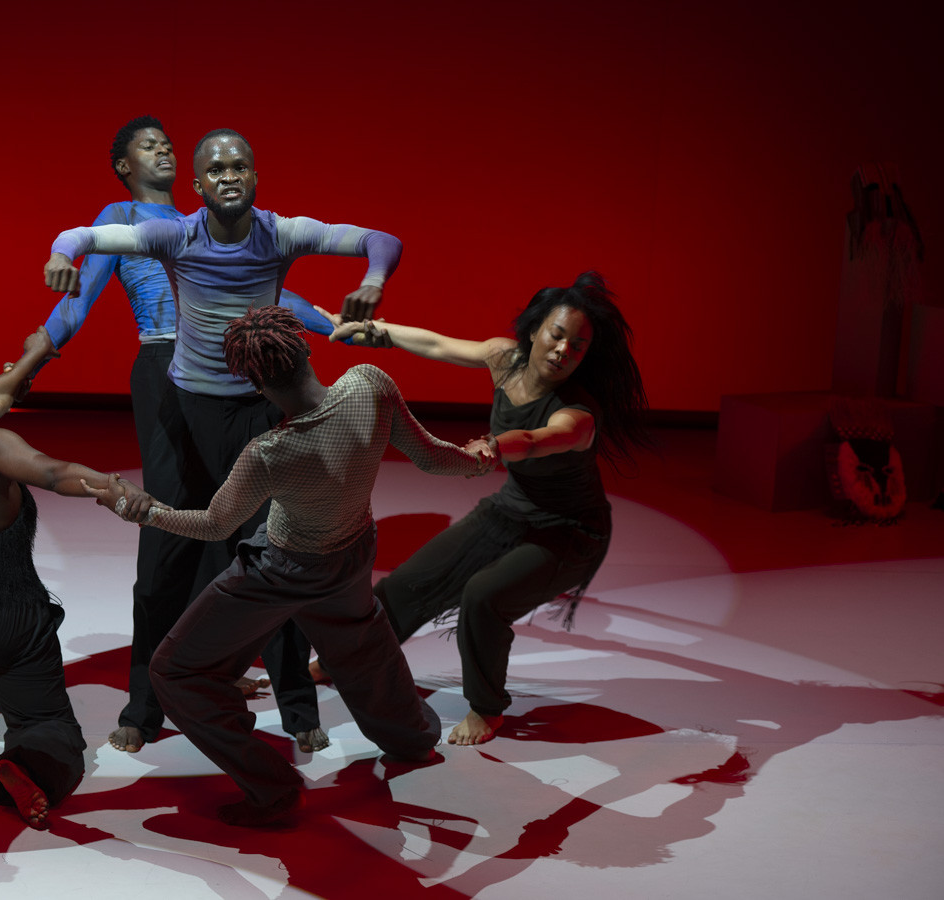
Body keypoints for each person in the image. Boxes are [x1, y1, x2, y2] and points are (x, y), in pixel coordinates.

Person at [45, 127, 402, 754]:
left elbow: (381, 239)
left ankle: (297, 705)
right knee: (162, 562)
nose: (229, 176)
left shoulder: (281, 233)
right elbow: (85, 236)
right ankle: (144, 706)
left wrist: (373, 278)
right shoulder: (175, 235)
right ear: (198, 185)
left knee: (274, 555)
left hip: (255, 411)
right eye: (216, 169)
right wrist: (61, 254)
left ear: (255, 177)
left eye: (240, 166)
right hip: (183, 412)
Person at [91, 305, 489, 827]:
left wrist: (139, 510)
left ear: (254, 383)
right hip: (351, 552)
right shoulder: (369, 384)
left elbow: (214, 525)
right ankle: (413, 741)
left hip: (281, 569)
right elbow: (433, 457)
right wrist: (477, 458)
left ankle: (273, 788)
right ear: (305, 349)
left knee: (174, 670)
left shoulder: (270, 452)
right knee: (364, 648)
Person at [322, 271, 651, 746]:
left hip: (571, 532)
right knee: (407, 582)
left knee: (483, 597)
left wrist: (495, 446)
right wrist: (376, 330)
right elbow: (438, 345)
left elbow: (536, 440)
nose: (563, 350)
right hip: (511, 508)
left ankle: (486, 710)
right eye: (557, 335)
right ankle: (342, 659)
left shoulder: (577, 415)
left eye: (577, 346)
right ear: (535, 330)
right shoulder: (505, 358)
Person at [0, 329, 155, 830]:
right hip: (0, 621)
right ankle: (25, 767)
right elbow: (54, 472)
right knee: (48, 725)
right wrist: (113, 488)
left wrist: (33, 356)